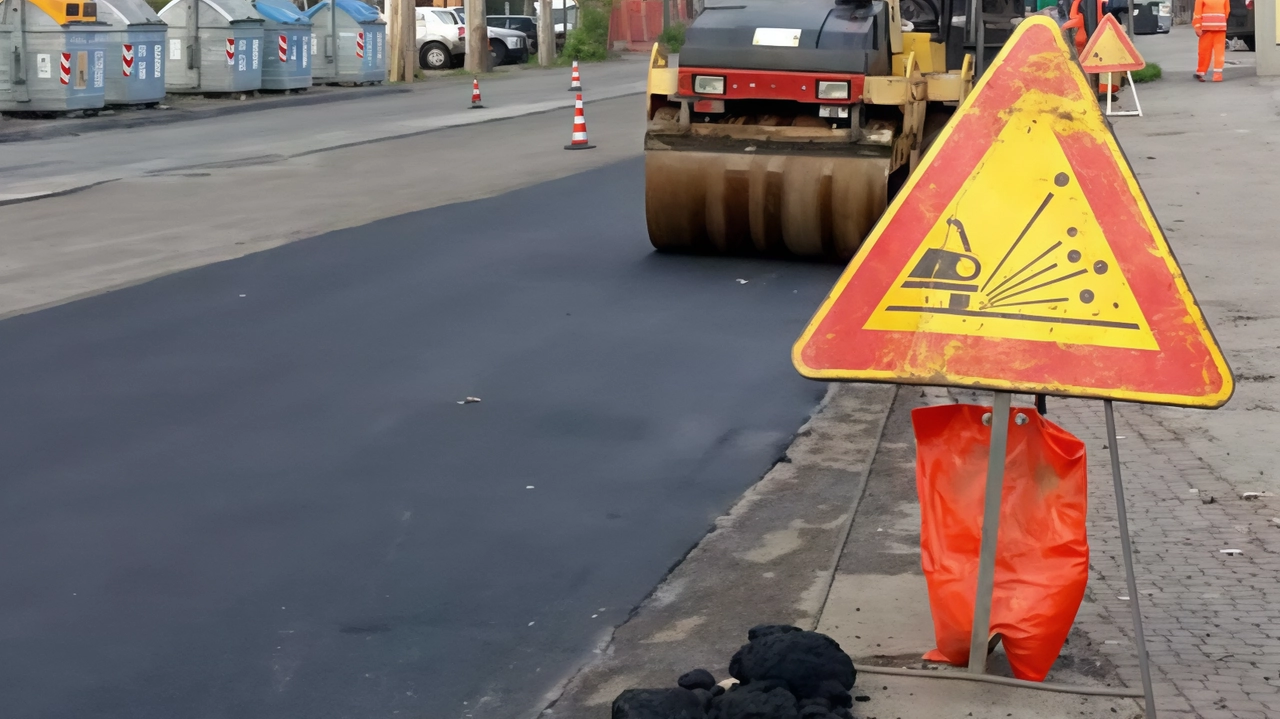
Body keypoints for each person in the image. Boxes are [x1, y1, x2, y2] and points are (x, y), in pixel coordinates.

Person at [1193, 0, 1229, 82]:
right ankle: (1217, 75)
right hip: (1220, 26)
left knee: (1204, 51)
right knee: (1219, 52)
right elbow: (1227, 10)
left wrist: (1197, 26)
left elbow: (1197, 12)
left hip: (1206, 27)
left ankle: (1201, 72)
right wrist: (1221, 21)